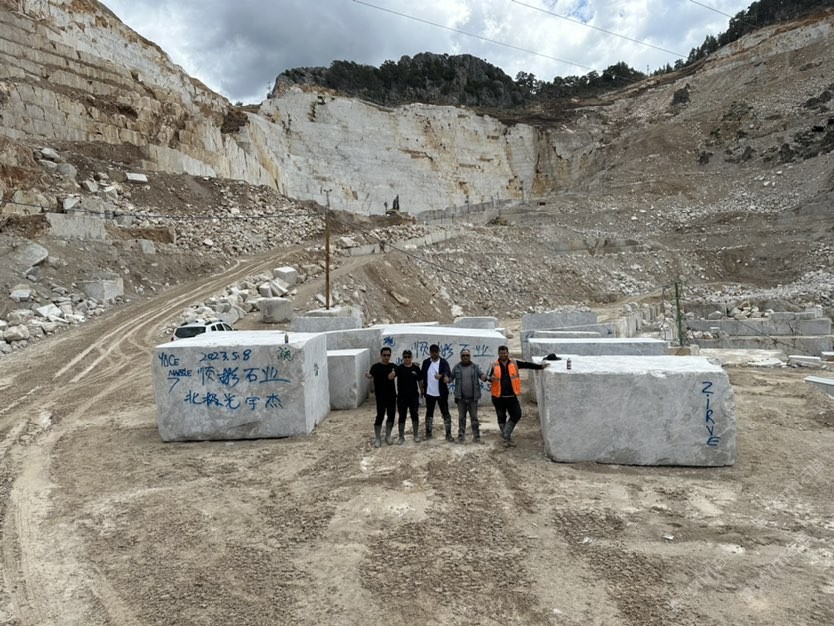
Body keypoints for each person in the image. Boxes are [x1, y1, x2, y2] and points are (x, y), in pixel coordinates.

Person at [487, 345, 549, 447]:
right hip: (498, 397)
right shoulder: (493, 364)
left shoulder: (514, 363)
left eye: (504, 353)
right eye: (501, 353)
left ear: (508, 353)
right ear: (498, 354)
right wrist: (490, 378)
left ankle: (505, 434)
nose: (503, 355)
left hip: (511, 396)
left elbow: (526, 364)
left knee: (517, 414)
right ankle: (507, 438)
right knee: (501, 417)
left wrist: (540, 367)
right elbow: (488, 377)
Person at [449, 348, 488, 444]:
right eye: (463, 356)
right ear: (460, 357)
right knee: (461, 418)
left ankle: (476, 436)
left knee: (474, 417)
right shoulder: (457, 367)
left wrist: (484, 377)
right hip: (460, 398)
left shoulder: (475, 367)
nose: (465, 357)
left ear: (470, 356)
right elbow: (450, 378)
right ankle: (461, 435)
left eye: (467, 355)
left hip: (473, 399)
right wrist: (446, 379)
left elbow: (482, 375)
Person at [421, 344, 453, 441]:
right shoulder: (426, 362)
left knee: (445, 413)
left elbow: (447, 372)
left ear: (439, 352)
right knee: (429, 413)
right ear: (430, 352)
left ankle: (448, 434)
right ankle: (428, 433)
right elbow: (422, 375)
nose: (434, 353)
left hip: (441, 394)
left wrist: (441, 376)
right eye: (432, 352)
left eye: (436, 351)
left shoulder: (443, 362)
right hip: (429, 393)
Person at [366, 347, 396, 447]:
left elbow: (404, 369)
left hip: (391, 396)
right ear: (381, 355)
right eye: (384, 355)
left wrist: (414, 364)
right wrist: (368, 376)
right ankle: (378, 438)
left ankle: (388, 435)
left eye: (388, 355)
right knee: (380, 416)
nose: (386, 357)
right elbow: (370, 375)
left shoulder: (393, 366)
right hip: (380, 396)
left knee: (391, 415)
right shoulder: (376, 367)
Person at [394, 349, 424, 444]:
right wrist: (391, 373)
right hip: (402, 397)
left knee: (414, 415)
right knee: (402, 416)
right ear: (403, 358)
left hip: (413, 396)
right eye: (405, 357)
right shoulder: (399, 368)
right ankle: (401, 437)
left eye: (409, 357)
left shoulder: (416, 368)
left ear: (411, 357)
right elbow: (391, 376)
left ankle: (416, 435)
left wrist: (422, 392)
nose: (407, 358)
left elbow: (420, 381)